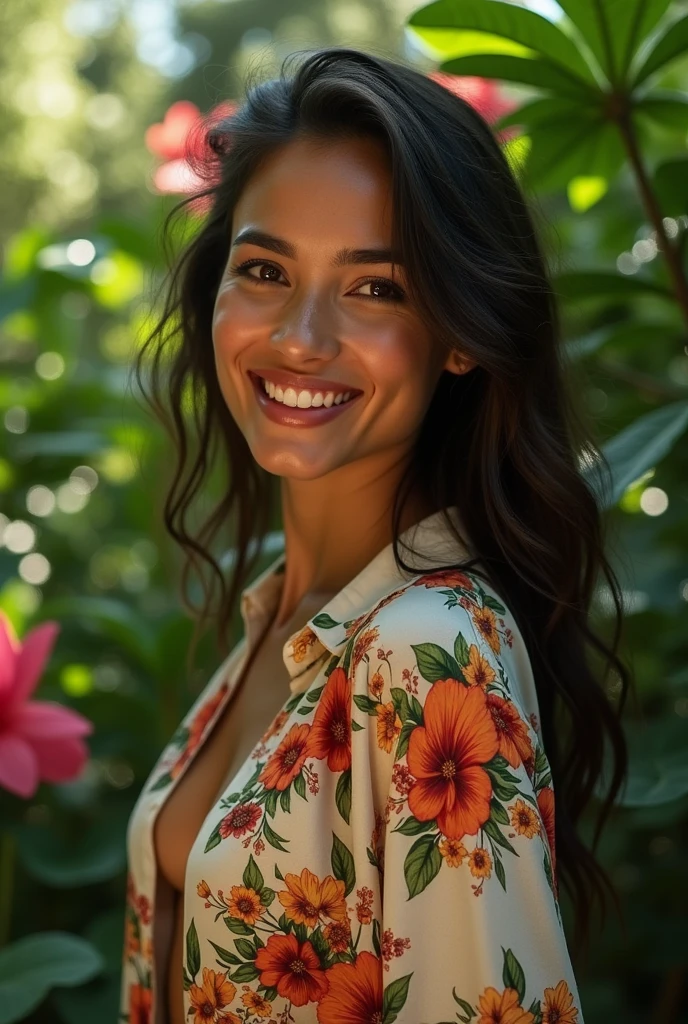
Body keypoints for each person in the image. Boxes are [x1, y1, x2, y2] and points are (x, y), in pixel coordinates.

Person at [120, 46, 630, 1024]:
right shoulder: (285, 616)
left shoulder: (425, 654)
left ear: (459, 332)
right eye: (264, 268)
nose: (302, 336)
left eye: (375, 288)